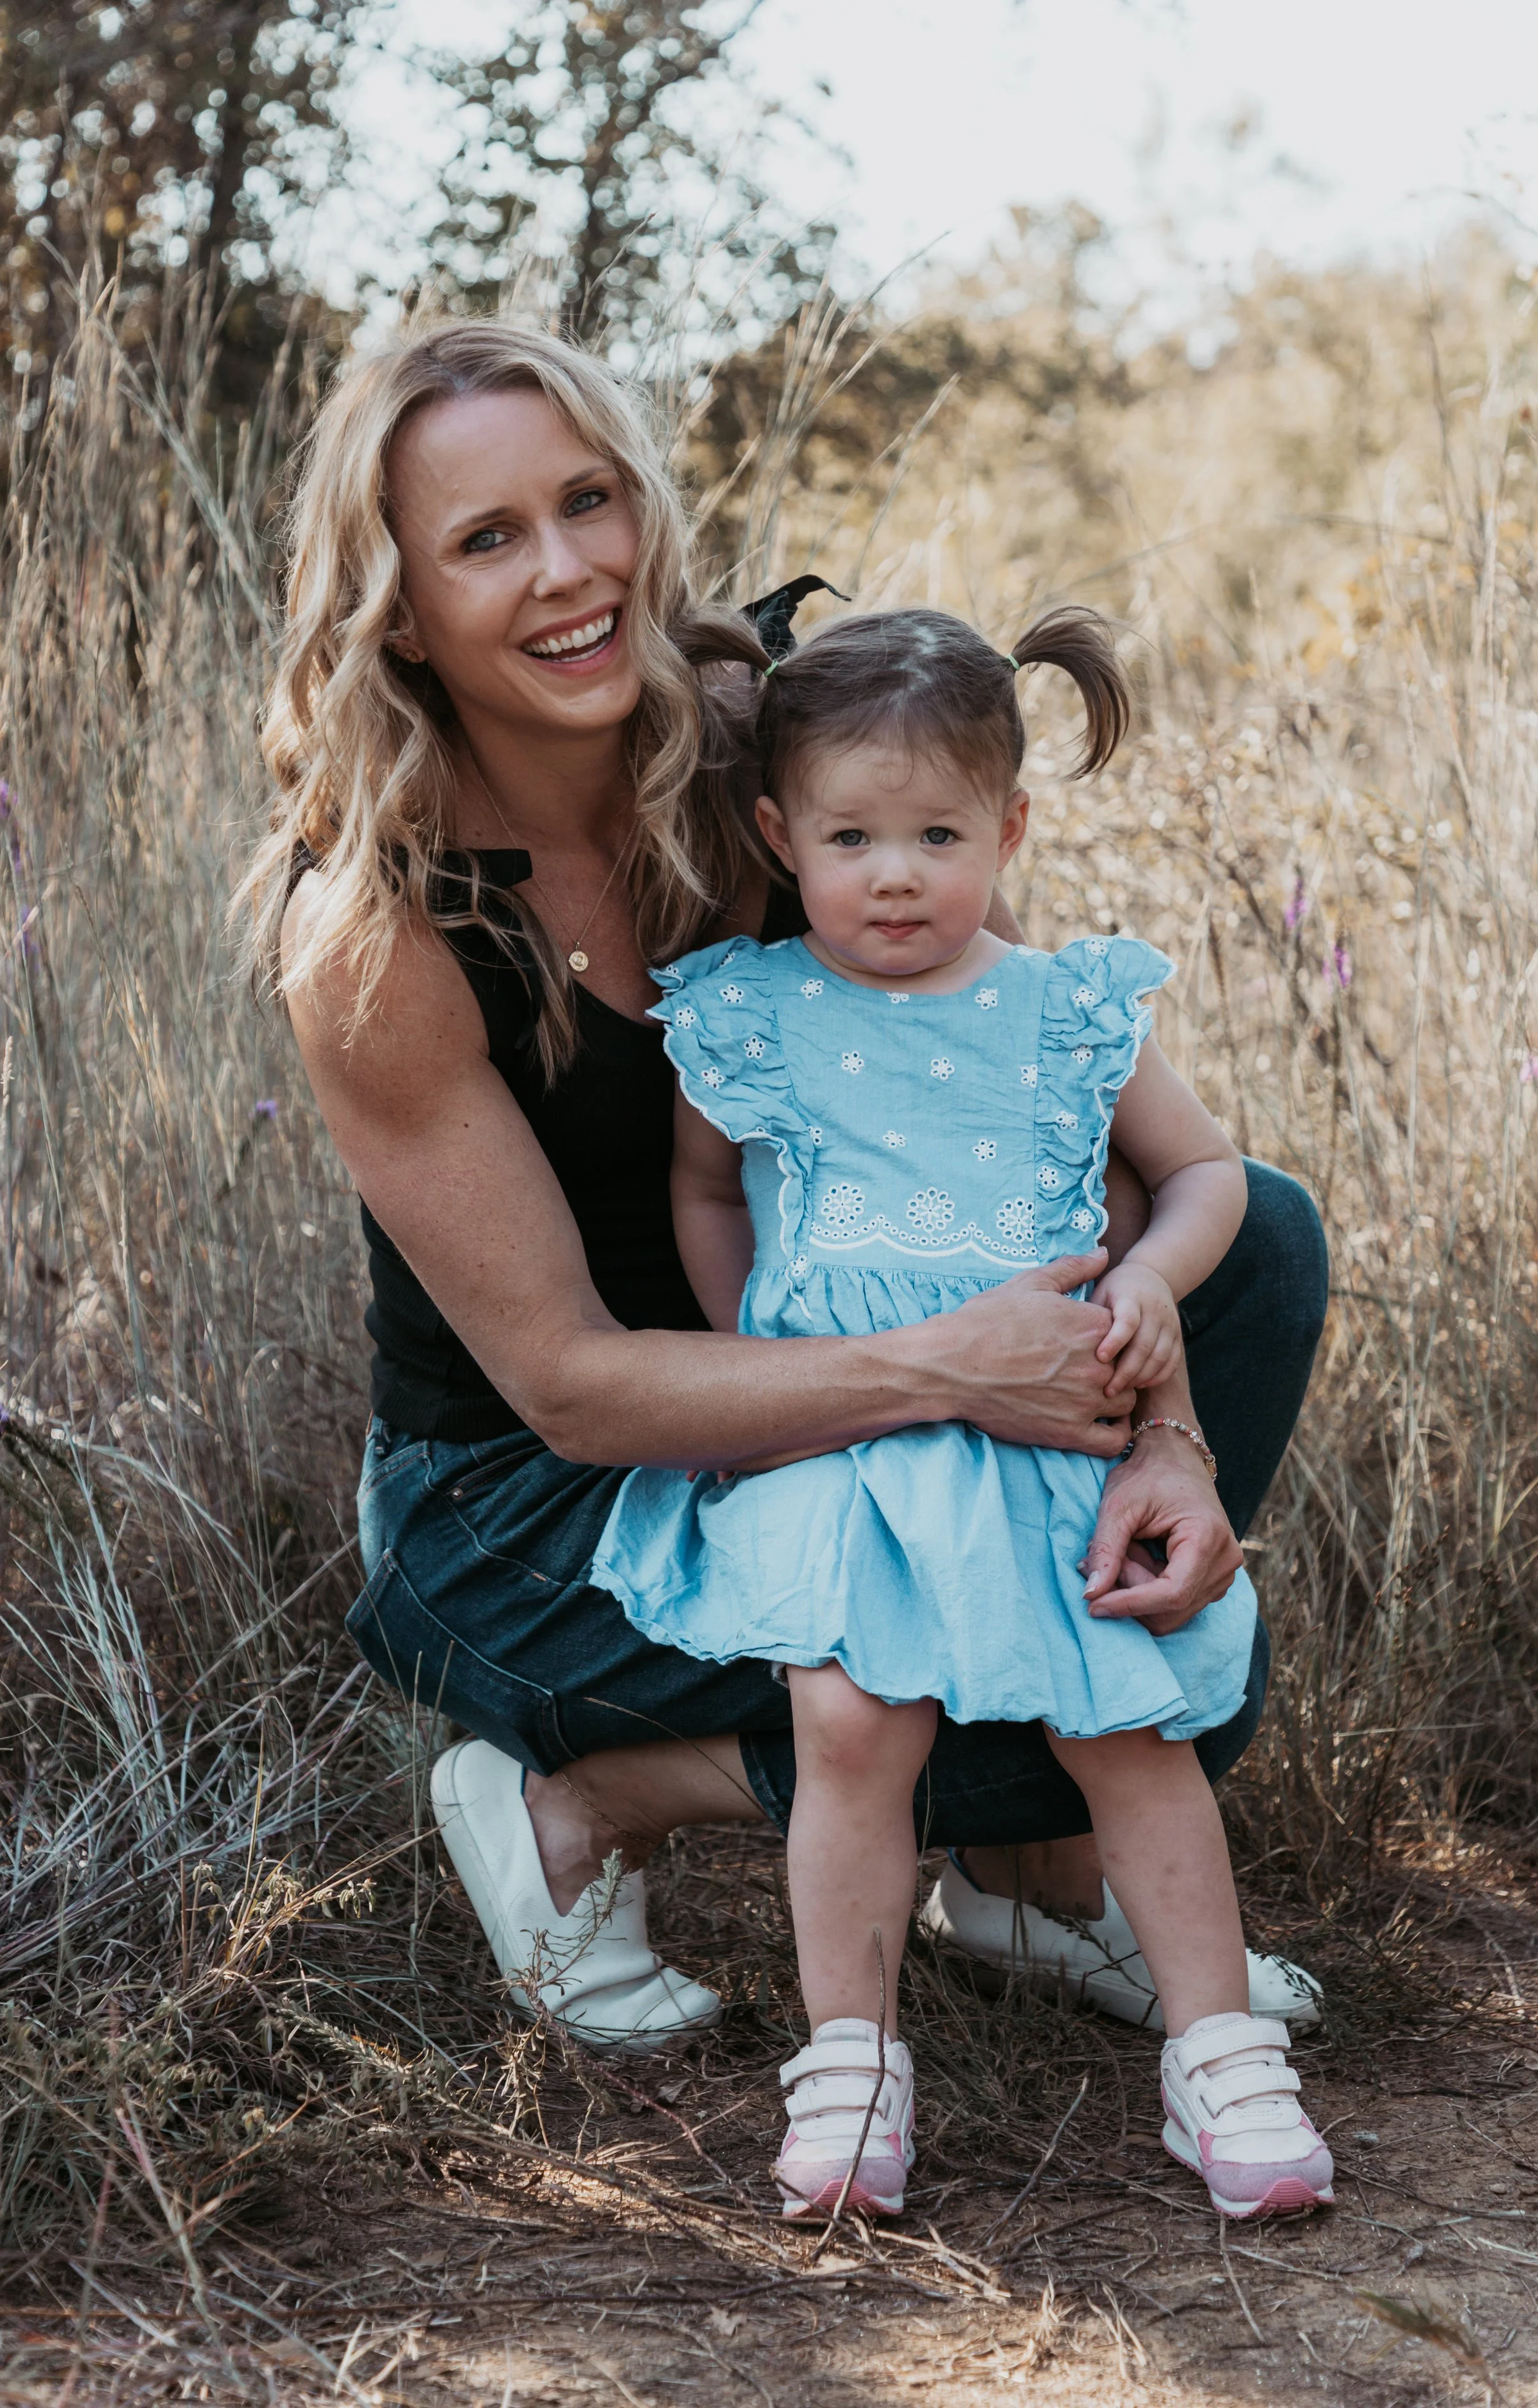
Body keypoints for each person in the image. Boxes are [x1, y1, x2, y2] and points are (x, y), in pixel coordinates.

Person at [238, 317, 1327, 2085]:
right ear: (399, 606)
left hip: (832, 1375)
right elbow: (576, 1385)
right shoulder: (372, 927)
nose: (571, 568)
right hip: (527, 1502)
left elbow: (1074, 1132)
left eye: (589, 501)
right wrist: (956, 1377)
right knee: (1018, 1705)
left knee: (1250, 1254)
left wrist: (1167, 1446)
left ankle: (1026, 1883)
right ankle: (577, 1796)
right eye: (487, 538)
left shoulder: (747, 753)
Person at [591, 606, 1335, 2223]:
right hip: (849, 1446)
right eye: (852, 838)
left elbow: (1206, 1170)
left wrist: (1148, 1277)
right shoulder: (752, 1010)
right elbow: (703, 1188)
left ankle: (1219, 2065)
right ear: (781, 836)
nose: (897, 877)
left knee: (1126, 1727)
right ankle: (851, 2063)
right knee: (851, 1724)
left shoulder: (1064, 1009)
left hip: (1046, 1438)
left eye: (938, 835)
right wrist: (745, 1349)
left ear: (1008, 827)